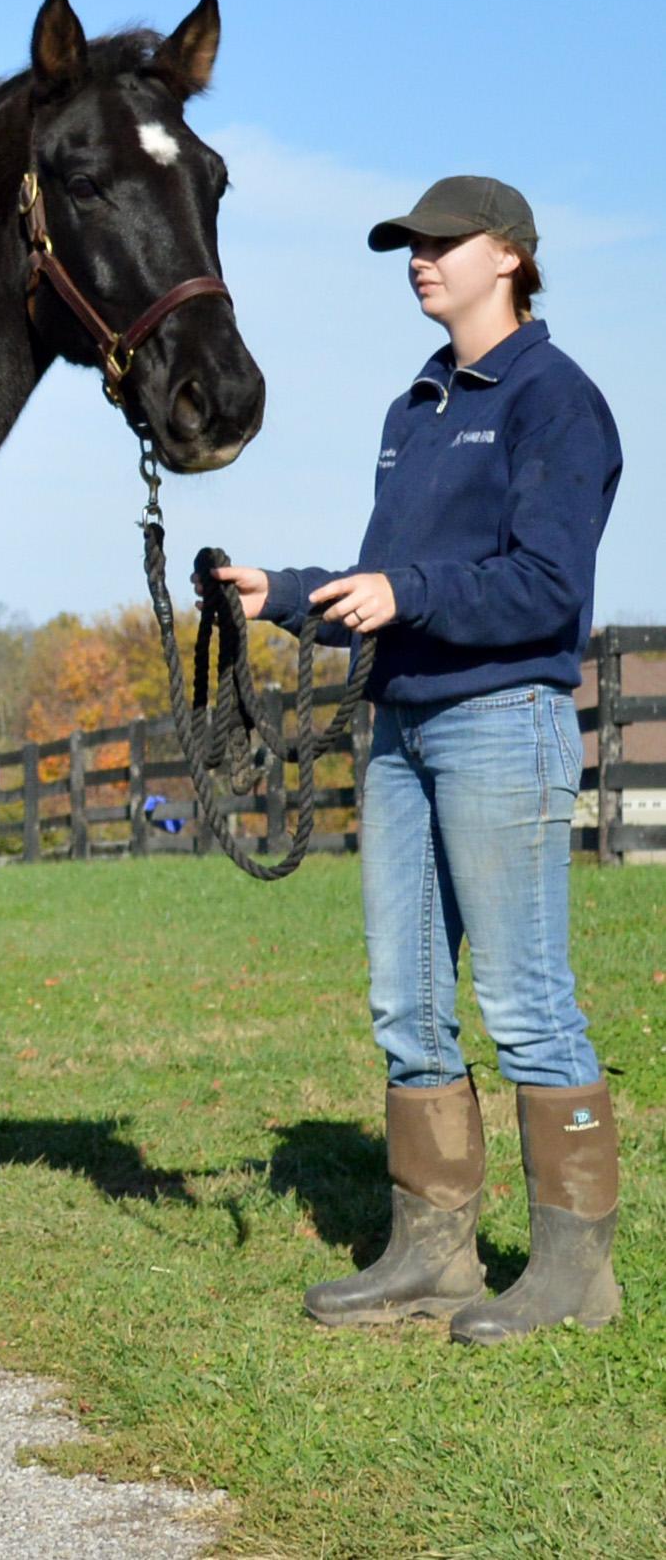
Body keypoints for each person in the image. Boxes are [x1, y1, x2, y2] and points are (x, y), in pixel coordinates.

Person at [207, 175, 622, 1343]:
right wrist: (283, 594)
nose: (420, 259)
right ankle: (432, 1255)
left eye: (443, 243)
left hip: (502, 722)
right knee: (407, 1003)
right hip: (402, 730)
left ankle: (575, 1275)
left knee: (527, 1002)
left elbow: (547, 587)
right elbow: (393, 584)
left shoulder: (555, 401)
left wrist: (410, 590)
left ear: (513, 256)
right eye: (410, 245)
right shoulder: (419, 405)